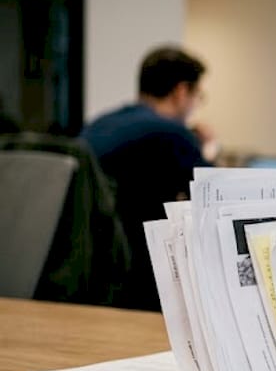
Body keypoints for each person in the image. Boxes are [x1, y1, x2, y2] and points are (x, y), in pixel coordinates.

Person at [81, 45, 214, 310]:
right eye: (197, 96)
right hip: (139, 277)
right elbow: (213, 199)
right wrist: (211, 148)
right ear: (181, 91)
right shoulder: (173, 134)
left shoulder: (98, 124)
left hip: (88, 270)